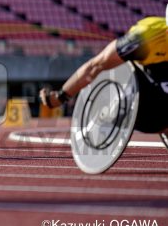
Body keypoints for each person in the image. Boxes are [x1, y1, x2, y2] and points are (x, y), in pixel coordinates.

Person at [40, 7, 168, 137]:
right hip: (146, 83)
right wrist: (61, 96)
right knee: (116, 65)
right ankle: (108, 116)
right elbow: (95, 66)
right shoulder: (146, 36)